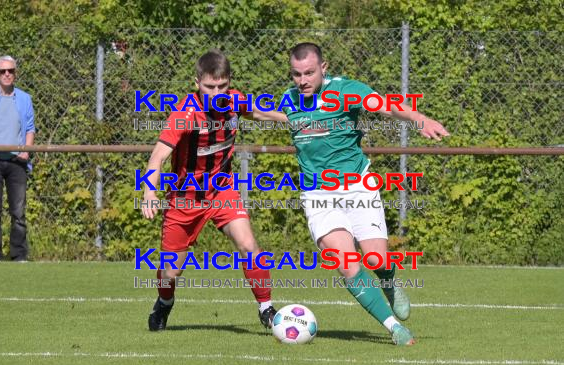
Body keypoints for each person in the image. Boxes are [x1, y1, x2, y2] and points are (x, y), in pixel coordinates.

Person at [283, 43, 450, 345]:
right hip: (317, 194)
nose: (303, 80)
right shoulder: (288, 100)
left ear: (324, 67)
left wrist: (420, 119)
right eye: (296, 74)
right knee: (347, 263)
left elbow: (387, 105)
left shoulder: (347, 89)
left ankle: (388, 281)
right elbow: (255, 112)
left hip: (357, 186)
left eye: (309, 72)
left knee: (376, 258)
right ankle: (393, 329)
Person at [141, 49, 288, 331]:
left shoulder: (233, 101)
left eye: (222, 86)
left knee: (248, 245)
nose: (217, 92)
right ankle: (164, 303)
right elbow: (158, 155)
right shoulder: (184, 114)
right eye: (210, 86)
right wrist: (149, 192)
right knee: (171, 272)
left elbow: (257, 111)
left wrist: (291, 120)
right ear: (196, 83)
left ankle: (266, 308)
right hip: (184, 199)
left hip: (222, 191)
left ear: (229, 82)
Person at [0, 55, 35, 263]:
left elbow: (29, 128)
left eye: (10, 71)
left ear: (15, 74)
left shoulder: (25, 98)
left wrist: (26, 151)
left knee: (18, 211)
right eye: (3, 71)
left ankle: (19, 255)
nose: (7, 74)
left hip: (17, 161)